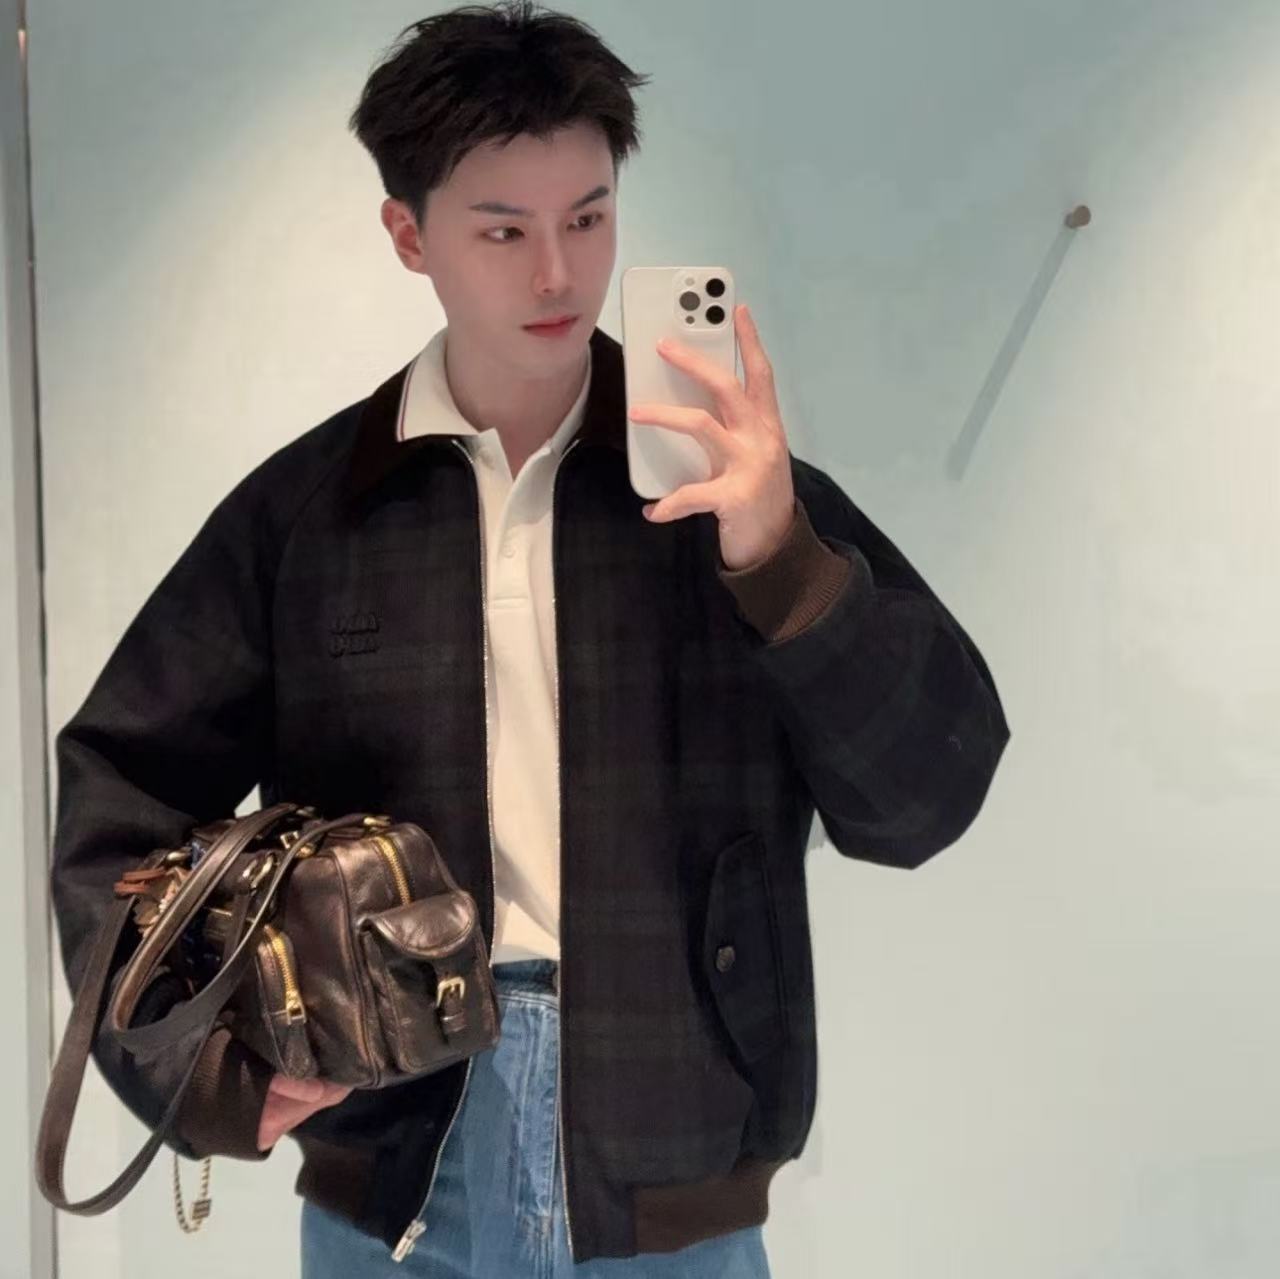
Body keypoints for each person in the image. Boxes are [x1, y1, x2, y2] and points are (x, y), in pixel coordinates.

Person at [48, 3, 1011, 1276]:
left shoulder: (732, 494)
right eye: (503, 230)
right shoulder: (310, 513)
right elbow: (115, 794)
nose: (557, 274)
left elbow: (925, 798)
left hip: (672, 1159)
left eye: (589, 218)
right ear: (410, 235)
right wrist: (204, 1062)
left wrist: (783, 558)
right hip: (397, 1151)